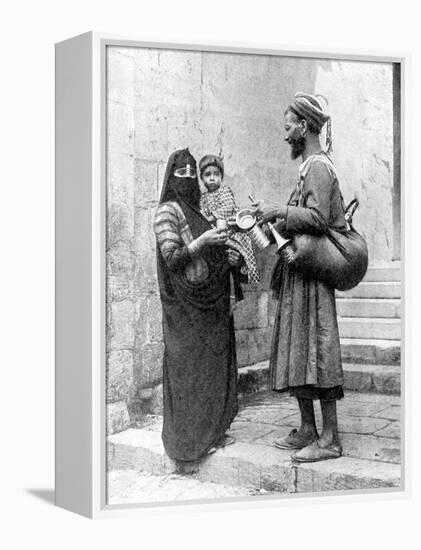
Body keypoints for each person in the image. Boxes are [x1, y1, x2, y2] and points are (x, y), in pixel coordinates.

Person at [256, 92, 347, 462]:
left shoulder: (320, 167)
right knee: (298, 348)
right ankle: (308, 428)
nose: (286, 134)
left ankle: (331, 439)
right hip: (300, 272)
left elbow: (320, 219)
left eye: (289, 126)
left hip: (314, 274)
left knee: (319, 350)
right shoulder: (308, 166)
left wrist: (281, 209)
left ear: (305, 126)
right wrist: (273, 217)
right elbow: (304, 215)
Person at [153, 148, 243, 461]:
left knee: (211, 368)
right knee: (189, 371)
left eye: (194, 173)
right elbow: (173, 258)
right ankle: (189, 444)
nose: (190, 179)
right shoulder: (167, 211)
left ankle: (213, 431)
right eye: (183, 174)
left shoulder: (201, 208)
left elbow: (214, 253)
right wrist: (203, 242)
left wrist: (230, 258)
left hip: (210, 304)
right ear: (171, 177)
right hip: (185, 309)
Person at [199, 154, 260, 284]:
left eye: (216, 174)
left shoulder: (224, 191)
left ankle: (247, 272)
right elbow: (201, 213)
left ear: (221, 176)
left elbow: (227, 207)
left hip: (229, 229)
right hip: (214, 232)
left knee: (241, 251)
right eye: (207, 175)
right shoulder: (203, 197)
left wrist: (211, 217)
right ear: (202, 178)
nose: (212, 178)